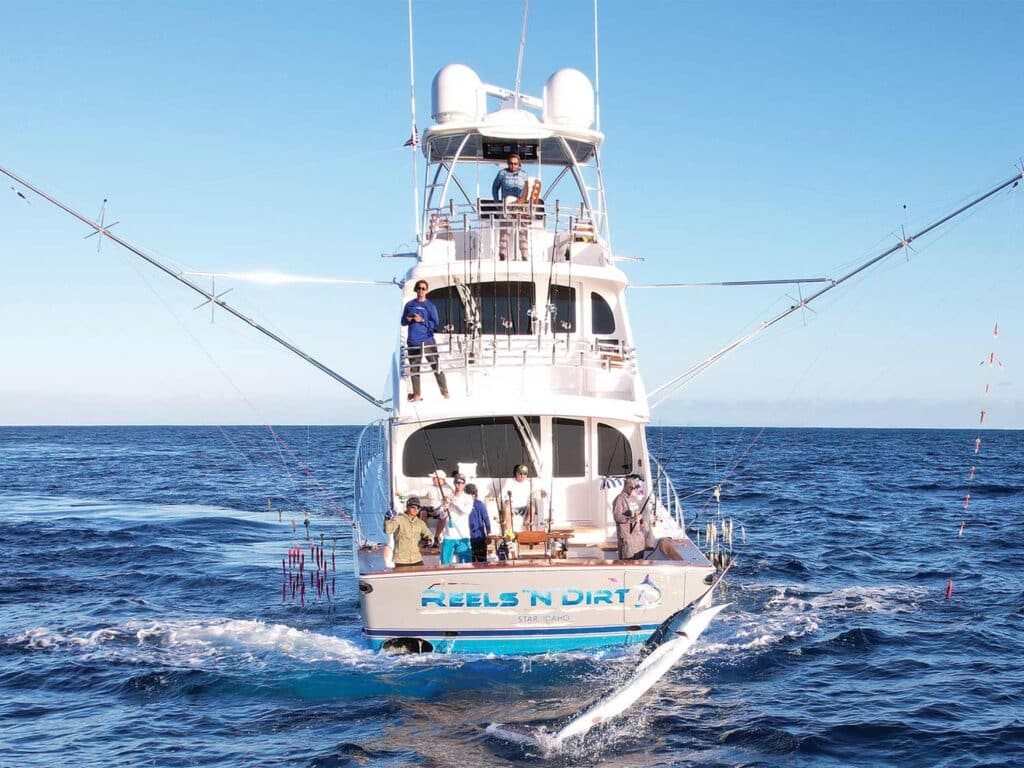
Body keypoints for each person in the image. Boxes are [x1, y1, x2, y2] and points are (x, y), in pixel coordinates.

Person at [401, 279, 449, 401]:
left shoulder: (430, 306)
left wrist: (421, 320)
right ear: (416, 290)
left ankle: (445, 393)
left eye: (423, 288)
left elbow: (436, 324)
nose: (421, 291)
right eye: (419, 288)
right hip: (413, 341)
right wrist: (408, 319)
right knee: (414, 368)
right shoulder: (409, 305)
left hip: (427, 340)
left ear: (426, 290)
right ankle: (417, 395)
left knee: (436, 366)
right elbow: (403, 322)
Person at [490, 154, 530, 261]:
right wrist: (496, 202)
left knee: (522, 230)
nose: (513, 166)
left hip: (520, 205)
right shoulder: (502, 173)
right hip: (507, 204)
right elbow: (495, 187)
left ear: (519, 164)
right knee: (505, 230)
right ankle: (503, 254)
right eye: (511, 163)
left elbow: (526, 189)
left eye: (515, 163)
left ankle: (525, 255)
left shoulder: (524, 174)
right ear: (508, 164)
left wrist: (522, 202)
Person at [384, 496, 433, 568]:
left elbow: (429, 535)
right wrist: (388, 519)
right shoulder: (399, 519)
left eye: (418, 507)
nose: (416, 509)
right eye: (413, 507)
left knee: (421, 578)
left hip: (417, 560)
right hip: (401, 561)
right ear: (407, 507)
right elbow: (388, 531)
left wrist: (428, 541)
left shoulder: (420, 523)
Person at [500, 464, 546, 534]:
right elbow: (502, 495)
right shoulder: (509, 482)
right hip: (513, 508)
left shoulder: (529, 483)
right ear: (516, 474)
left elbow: (538, 493)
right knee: (507, 508)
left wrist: (542, 493)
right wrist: (506, 500)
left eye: (525, 474)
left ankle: (528, 531)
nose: (522, 476)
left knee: (532, 508)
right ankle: (508, 533)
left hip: (525, 508)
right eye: (520, 473)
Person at [437, 473, 473, 564]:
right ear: (454, 483)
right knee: (445, 563)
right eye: (457, 482)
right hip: (449, 536)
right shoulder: (447, 497)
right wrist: (445, 508)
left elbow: (466, 511)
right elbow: (441, 516)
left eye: (462, 482)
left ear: (464, 484)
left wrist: (454, 501)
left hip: (463, 536)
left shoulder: (468, 498)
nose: (459, 484)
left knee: (466, 564)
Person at [612, 474, 646, 560]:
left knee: (640, 561)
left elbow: (637, 513)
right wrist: (632, 519)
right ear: (628, 488)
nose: (636, 491)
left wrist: (642, 521)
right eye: (634, 488)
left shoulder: (633, 498)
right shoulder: (619, 499)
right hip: (627, 539)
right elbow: (617, 517)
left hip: (638, 538)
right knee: (628, 563)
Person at [465, 483, 491, 563]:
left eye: (473, 493)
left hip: (479, 538)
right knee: (468, 562)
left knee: (482, 561)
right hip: (466, 538)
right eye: (469, 493)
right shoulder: (462, 505)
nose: (472, 495)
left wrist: (489, 534)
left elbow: (486, 520)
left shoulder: (479, 504)